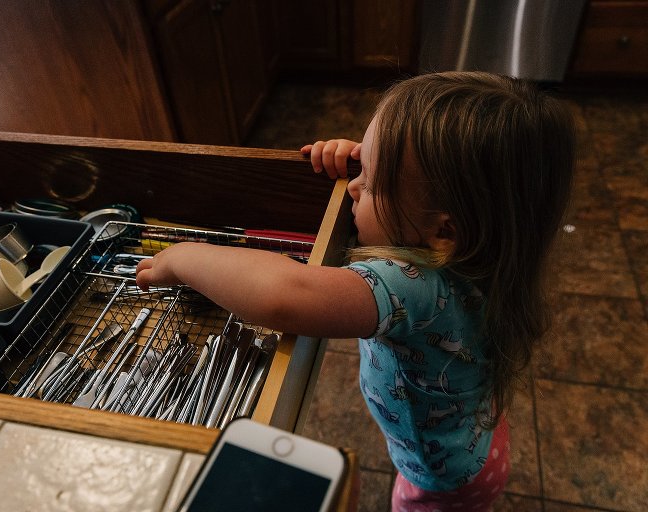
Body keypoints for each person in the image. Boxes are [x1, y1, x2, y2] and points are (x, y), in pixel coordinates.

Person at [135, 71, 575, 511]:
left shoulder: (413, 287)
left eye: (372, 179)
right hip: (477, 436)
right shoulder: (494, 252)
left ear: (444, 230)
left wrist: (185, 258)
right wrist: (368, 160)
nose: (353, 185)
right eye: (362, 163)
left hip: (438, 478)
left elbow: (285, 295)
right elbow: (415, 188)